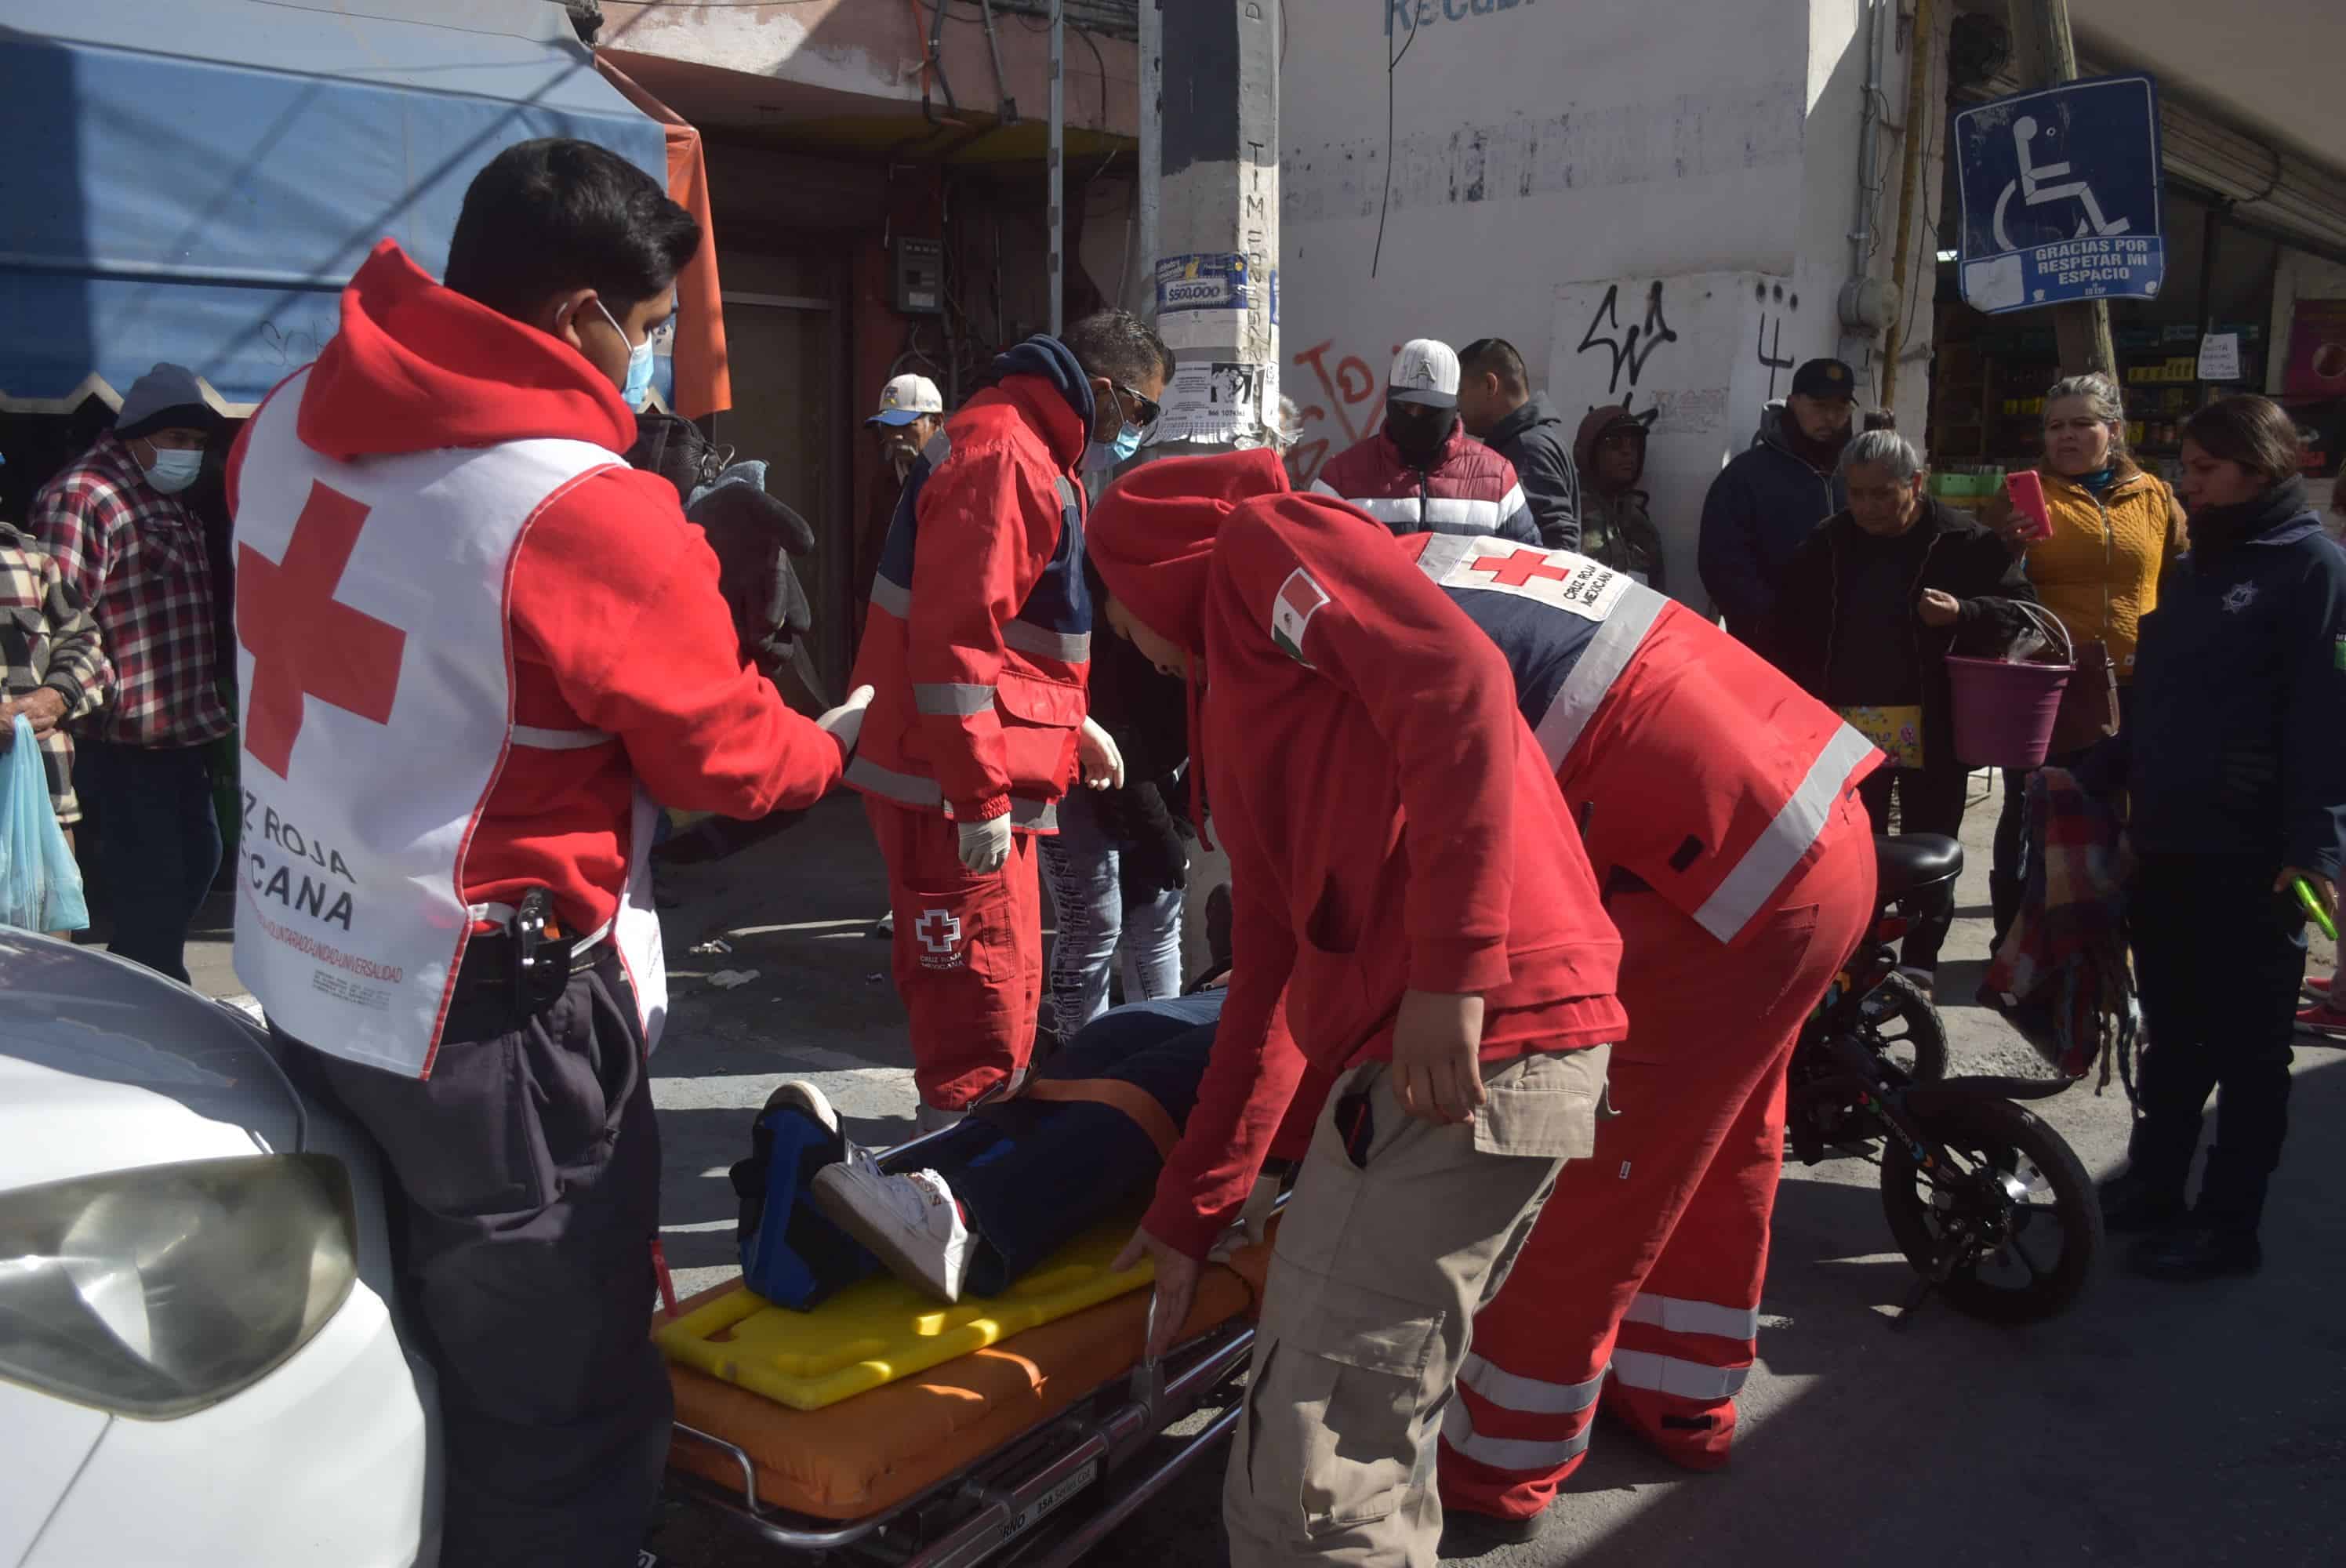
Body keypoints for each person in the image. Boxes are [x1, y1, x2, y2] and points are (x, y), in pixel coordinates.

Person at [225, 138, 872, 1568]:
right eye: (645, 335)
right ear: (582, 315)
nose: (644, 369)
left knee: (385, 1327)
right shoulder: (582, 509)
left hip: (304, 967)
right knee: (557, 1399)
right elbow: (721, 760)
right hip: (485, 1025)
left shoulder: (277, 423)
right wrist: (831, 740)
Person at [1088, 449, 1625, 1568]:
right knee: (1354, 1437)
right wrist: (1198, 1205)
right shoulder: (1241, 703)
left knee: (1313, 1476)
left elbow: (1456, 680)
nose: (1115, 635)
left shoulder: (1254, 552)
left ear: (1146, 571)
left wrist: (1453, 972)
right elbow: (1271, 977)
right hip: (1441, 1050)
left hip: (1463, 1040)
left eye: (1111, 600)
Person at [1389, 532, 1877, 1542]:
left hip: (1728, 873)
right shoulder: (1426, 563)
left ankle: (1499, 1461)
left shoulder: (1363, 638)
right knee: (1719, 1141)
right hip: (1813, 827)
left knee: (1597, 1168)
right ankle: (1678, 1394)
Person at [847, 310, 1171, 1130]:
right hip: (947, 783)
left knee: (1004, 982)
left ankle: (957, 1180)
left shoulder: (1017, 445)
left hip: (958, 770)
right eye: (1139, 411)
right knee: (977, 1003)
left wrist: (1071, 724)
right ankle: (944, 1195)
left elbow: (1000, 638)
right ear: (1100, 390)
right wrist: (979, 796)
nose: (1134, 431)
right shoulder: (1009, 456)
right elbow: (956, 646)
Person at [2090, 395, 2346, 1282]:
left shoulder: (2311, 569)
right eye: (2185, 467)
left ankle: (2228, 1223)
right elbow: (2161, 702)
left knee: (2248, 1051)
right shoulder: (2200, 567)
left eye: (2202, 469)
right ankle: (2154, 1183)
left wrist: (2314, 846)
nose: (2183, 483)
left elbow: (2327, 718)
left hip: (2257, 855)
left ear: (2258, 467)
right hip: (2172, 841)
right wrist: (2101, 776)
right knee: (2173, 1031)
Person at [1770, 430, 2036, 987]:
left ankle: (1920, 961)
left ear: (1916, 483)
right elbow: (1784, 625)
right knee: (1851, 850)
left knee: (1930, 844)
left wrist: (1964, 612)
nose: (1866, 507)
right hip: (1846, 730)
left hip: (1935, 725)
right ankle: (1855, 955)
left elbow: (2024, 615)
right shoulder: (1829, 542)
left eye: (1881, 494)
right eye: (1856, 493)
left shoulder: (1963, 541)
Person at [776, 988, 1229, 1302]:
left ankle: (967, 1220)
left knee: (1193, 1067)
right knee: (1112, 1032)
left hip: (1289, 1015)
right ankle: (867, 1203)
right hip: (1243, 984)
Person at [32, 363, 234, 981]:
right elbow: (61, 618)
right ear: (137, 434)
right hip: (119, 737)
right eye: (176, 440)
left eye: (198, 445)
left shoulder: (164, 497)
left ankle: (136, 984)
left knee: (200, 860)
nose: (188, 455)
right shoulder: (84, 496)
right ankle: (152, 1008)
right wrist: (73, 694)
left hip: (177, 728)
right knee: (154, 890)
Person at [1979, 372, 2187, 947]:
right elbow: (1985, 586)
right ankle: (2016, 938)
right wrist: (2008, 547)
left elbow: (2178, 579)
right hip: (2052, 682)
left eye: (2081, 424)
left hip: (2137, 680)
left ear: (2113, 431)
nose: (2066, 437)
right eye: (2055, 426)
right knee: (2033, 807)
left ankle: (2104, 928)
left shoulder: (2155, 495)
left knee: (2123, 808)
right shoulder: (2023, 492)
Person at [1037, 555, 1192, 1040]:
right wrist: (1159, 835)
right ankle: (1078, 1066)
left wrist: (1176, 833)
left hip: (1144, 770)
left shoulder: (1182, 635)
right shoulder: (1094, 622)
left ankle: (1157, 1060)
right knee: (1095, 922)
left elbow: (1210, 754)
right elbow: (1115, 747)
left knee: (1158, 912)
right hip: (1075, 768)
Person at [1310, 339, 1539, 543]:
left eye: (1430, 409)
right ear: (1389, 399)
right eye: (1405, 406)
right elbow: (1311, 567)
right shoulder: (1339, 480)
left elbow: (1528, 568)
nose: (1415, 416)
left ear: (1454, 405)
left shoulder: (1498, 480)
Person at [1698, 358, 1858, 648]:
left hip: (1848, 653)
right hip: (1772, 652)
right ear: (1794, 403)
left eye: (1840, 408)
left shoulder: (1858, 475)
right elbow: (1722, 564)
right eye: (1820, 406)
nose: (1831, 418)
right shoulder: (1747, 476)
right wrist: (1769, 623)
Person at [1, 516, 111, 904]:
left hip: (43, 806)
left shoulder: (28, 557)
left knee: (46, 956)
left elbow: (84, 642)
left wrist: (58, 695)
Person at [1457, 336, 1581, 549]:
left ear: (1490, 385)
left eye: (1461, 392)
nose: (1458, 407)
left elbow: (1560, 547)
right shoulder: (1531, 441)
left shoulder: (1527, 449)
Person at [855, 372, 946, 644]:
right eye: (888, 427)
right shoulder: (884, 482)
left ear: (937, 423)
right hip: (890, 630)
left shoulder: (959, 479)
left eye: (907, 425)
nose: (895, 435)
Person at [1572, 404, 1668, 588]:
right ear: (1589, 451)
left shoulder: (1641, 527)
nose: (1627, 452)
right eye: (1614, 443)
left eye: (1634, 445)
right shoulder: (1566, 511)